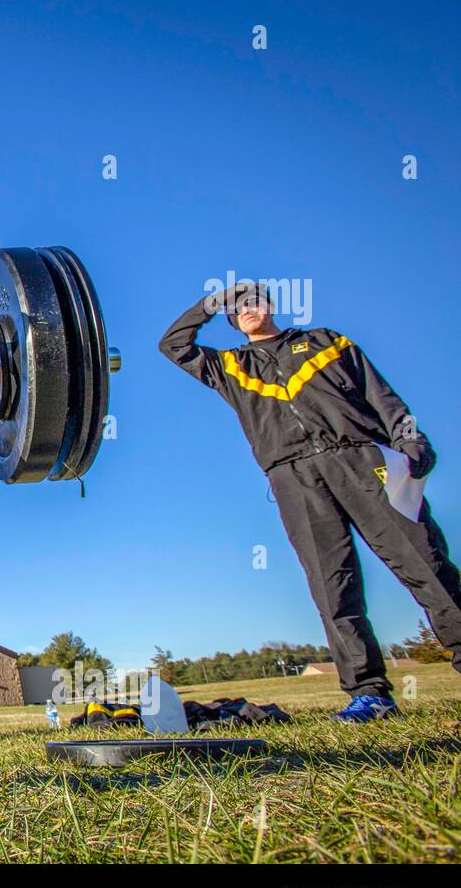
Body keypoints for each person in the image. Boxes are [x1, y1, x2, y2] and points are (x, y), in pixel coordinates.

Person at [160, 281, 460, 721]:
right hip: (292, 475)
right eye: (237, 308)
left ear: (271, 305)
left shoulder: (327, 342)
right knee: (331, 583)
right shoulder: (229, 366)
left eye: (253, 301)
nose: (247, 309)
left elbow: (383, 396)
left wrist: (409, 437)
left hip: (361, 458)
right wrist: (209, 304)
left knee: (423, 561)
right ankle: (369, 692)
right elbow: (173, 344)